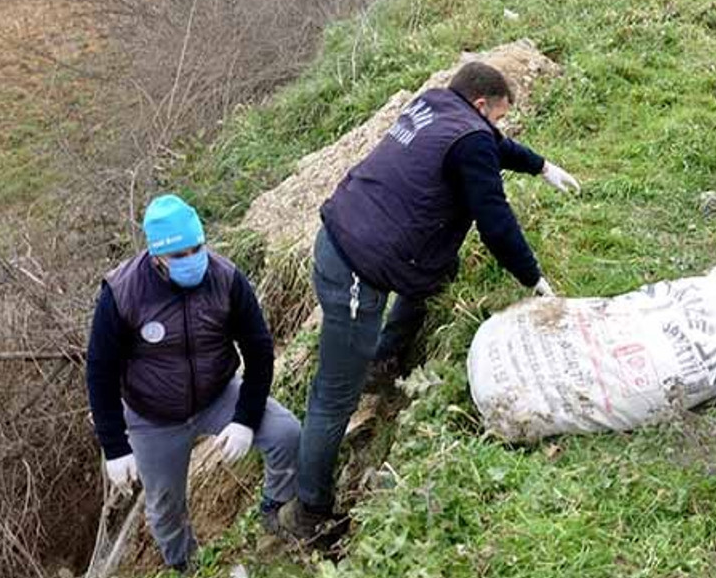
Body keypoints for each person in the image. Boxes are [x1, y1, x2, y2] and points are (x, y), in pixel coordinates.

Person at [281, 62, 580, 538]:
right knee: (334, 396)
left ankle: (386, 358)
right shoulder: (471, 136)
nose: (497, 129)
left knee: (441, 269)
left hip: (346, 233)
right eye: (498, 117)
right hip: (355, 269)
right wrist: (533, 278)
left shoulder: (436, 104)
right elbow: (495, 220)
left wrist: (541, 166)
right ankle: (308, 513)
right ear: (481, 105)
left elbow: (493, 147)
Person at [86, 195, 300, 572]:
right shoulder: (122, 293)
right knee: (164, 506)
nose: (192, 260)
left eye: (197, 248)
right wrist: (115, 446)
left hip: (218, 394)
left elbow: (259, 349)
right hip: (152, 415)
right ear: (157, 258)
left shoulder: (226, 279)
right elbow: (100, 371)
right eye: (180, 255)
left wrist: (245, 419)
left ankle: (277, 512)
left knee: (286, 433)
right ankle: (187, 565)